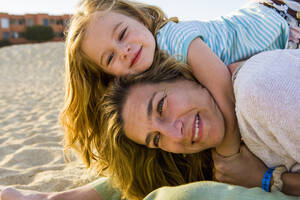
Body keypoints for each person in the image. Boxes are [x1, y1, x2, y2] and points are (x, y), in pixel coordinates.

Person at [1, 49, 300, 200]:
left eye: (161, 106)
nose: (175, 134)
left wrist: (268, 180)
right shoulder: (221, 127)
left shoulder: (261, 94)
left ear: (184, 74)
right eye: (156, 138)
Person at [61, 0, 300, 177]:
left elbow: (222, 86)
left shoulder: (172, 40)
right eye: (110, 58)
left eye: (123, 34)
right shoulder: (152, 74)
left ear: (141, 20)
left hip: (284, 18)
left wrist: (229, 153)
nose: (124, 51)